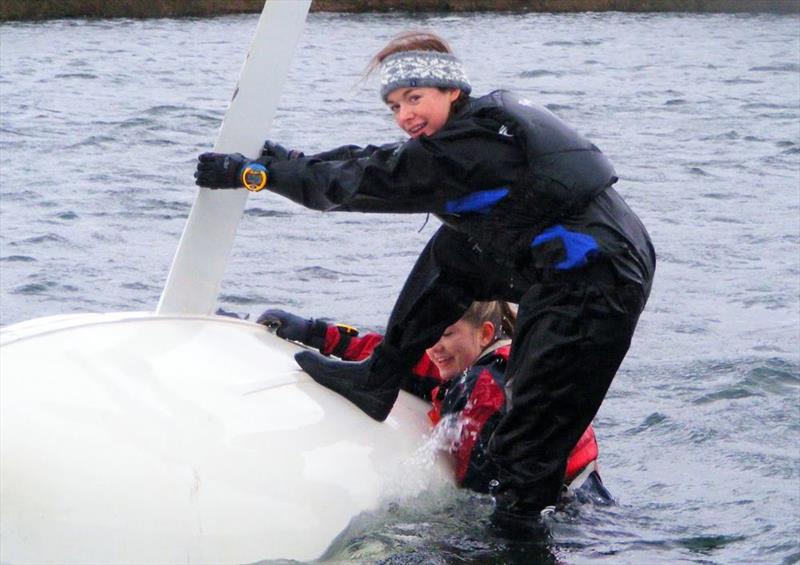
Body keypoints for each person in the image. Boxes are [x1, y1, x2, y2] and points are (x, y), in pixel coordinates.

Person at [195, 31, 655, 526]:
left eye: (415, 98)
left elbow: (365, 183)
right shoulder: (464, 133)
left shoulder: (470, 151)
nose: (404, 115)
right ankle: (379, 379)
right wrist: (289, 162)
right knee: (454, 253)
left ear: (452, 92)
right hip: (555, 258)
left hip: (598, 282)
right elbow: (377, 158)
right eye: (394, 105)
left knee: (523, 448)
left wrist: (254, 176)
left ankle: (517, 536)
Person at [257, 301, 610, 501]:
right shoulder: (484, 359)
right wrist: (315, 333)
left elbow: (477, 495)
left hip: (570, 515)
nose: (433, 347)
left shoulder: (484, 387)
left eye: (445, 334)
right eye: (427, 336)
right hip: (588, 495)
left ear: (485, 333)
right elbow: (394, 358)